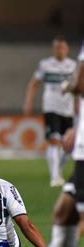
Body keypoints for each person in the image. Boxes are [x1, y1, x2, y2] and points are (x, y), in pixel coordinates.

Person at [38, 42, 84, 247]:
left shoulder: (74, 62)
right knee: (63, 212)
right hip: (55, 111)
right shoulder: (46, 64)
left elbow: (81, 84)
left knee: (74, 215)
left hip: (74, 126)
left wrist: (70, 86)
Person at [23, 36, 78, 187]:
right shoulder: (45, 65)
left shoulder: (73, 66)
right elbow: (34, 83)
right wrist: (28, 101)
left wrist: (78, 105)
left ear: (66, 49)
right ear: (54, 49)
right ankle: (54, 177)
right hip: (51, 107)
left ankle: (56, 169)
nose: (60, 50)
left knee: (68, 145)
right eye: (57, 47)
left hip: (67, 110)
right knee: (54, 140)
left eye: (62, 47)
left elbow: (79, 88)